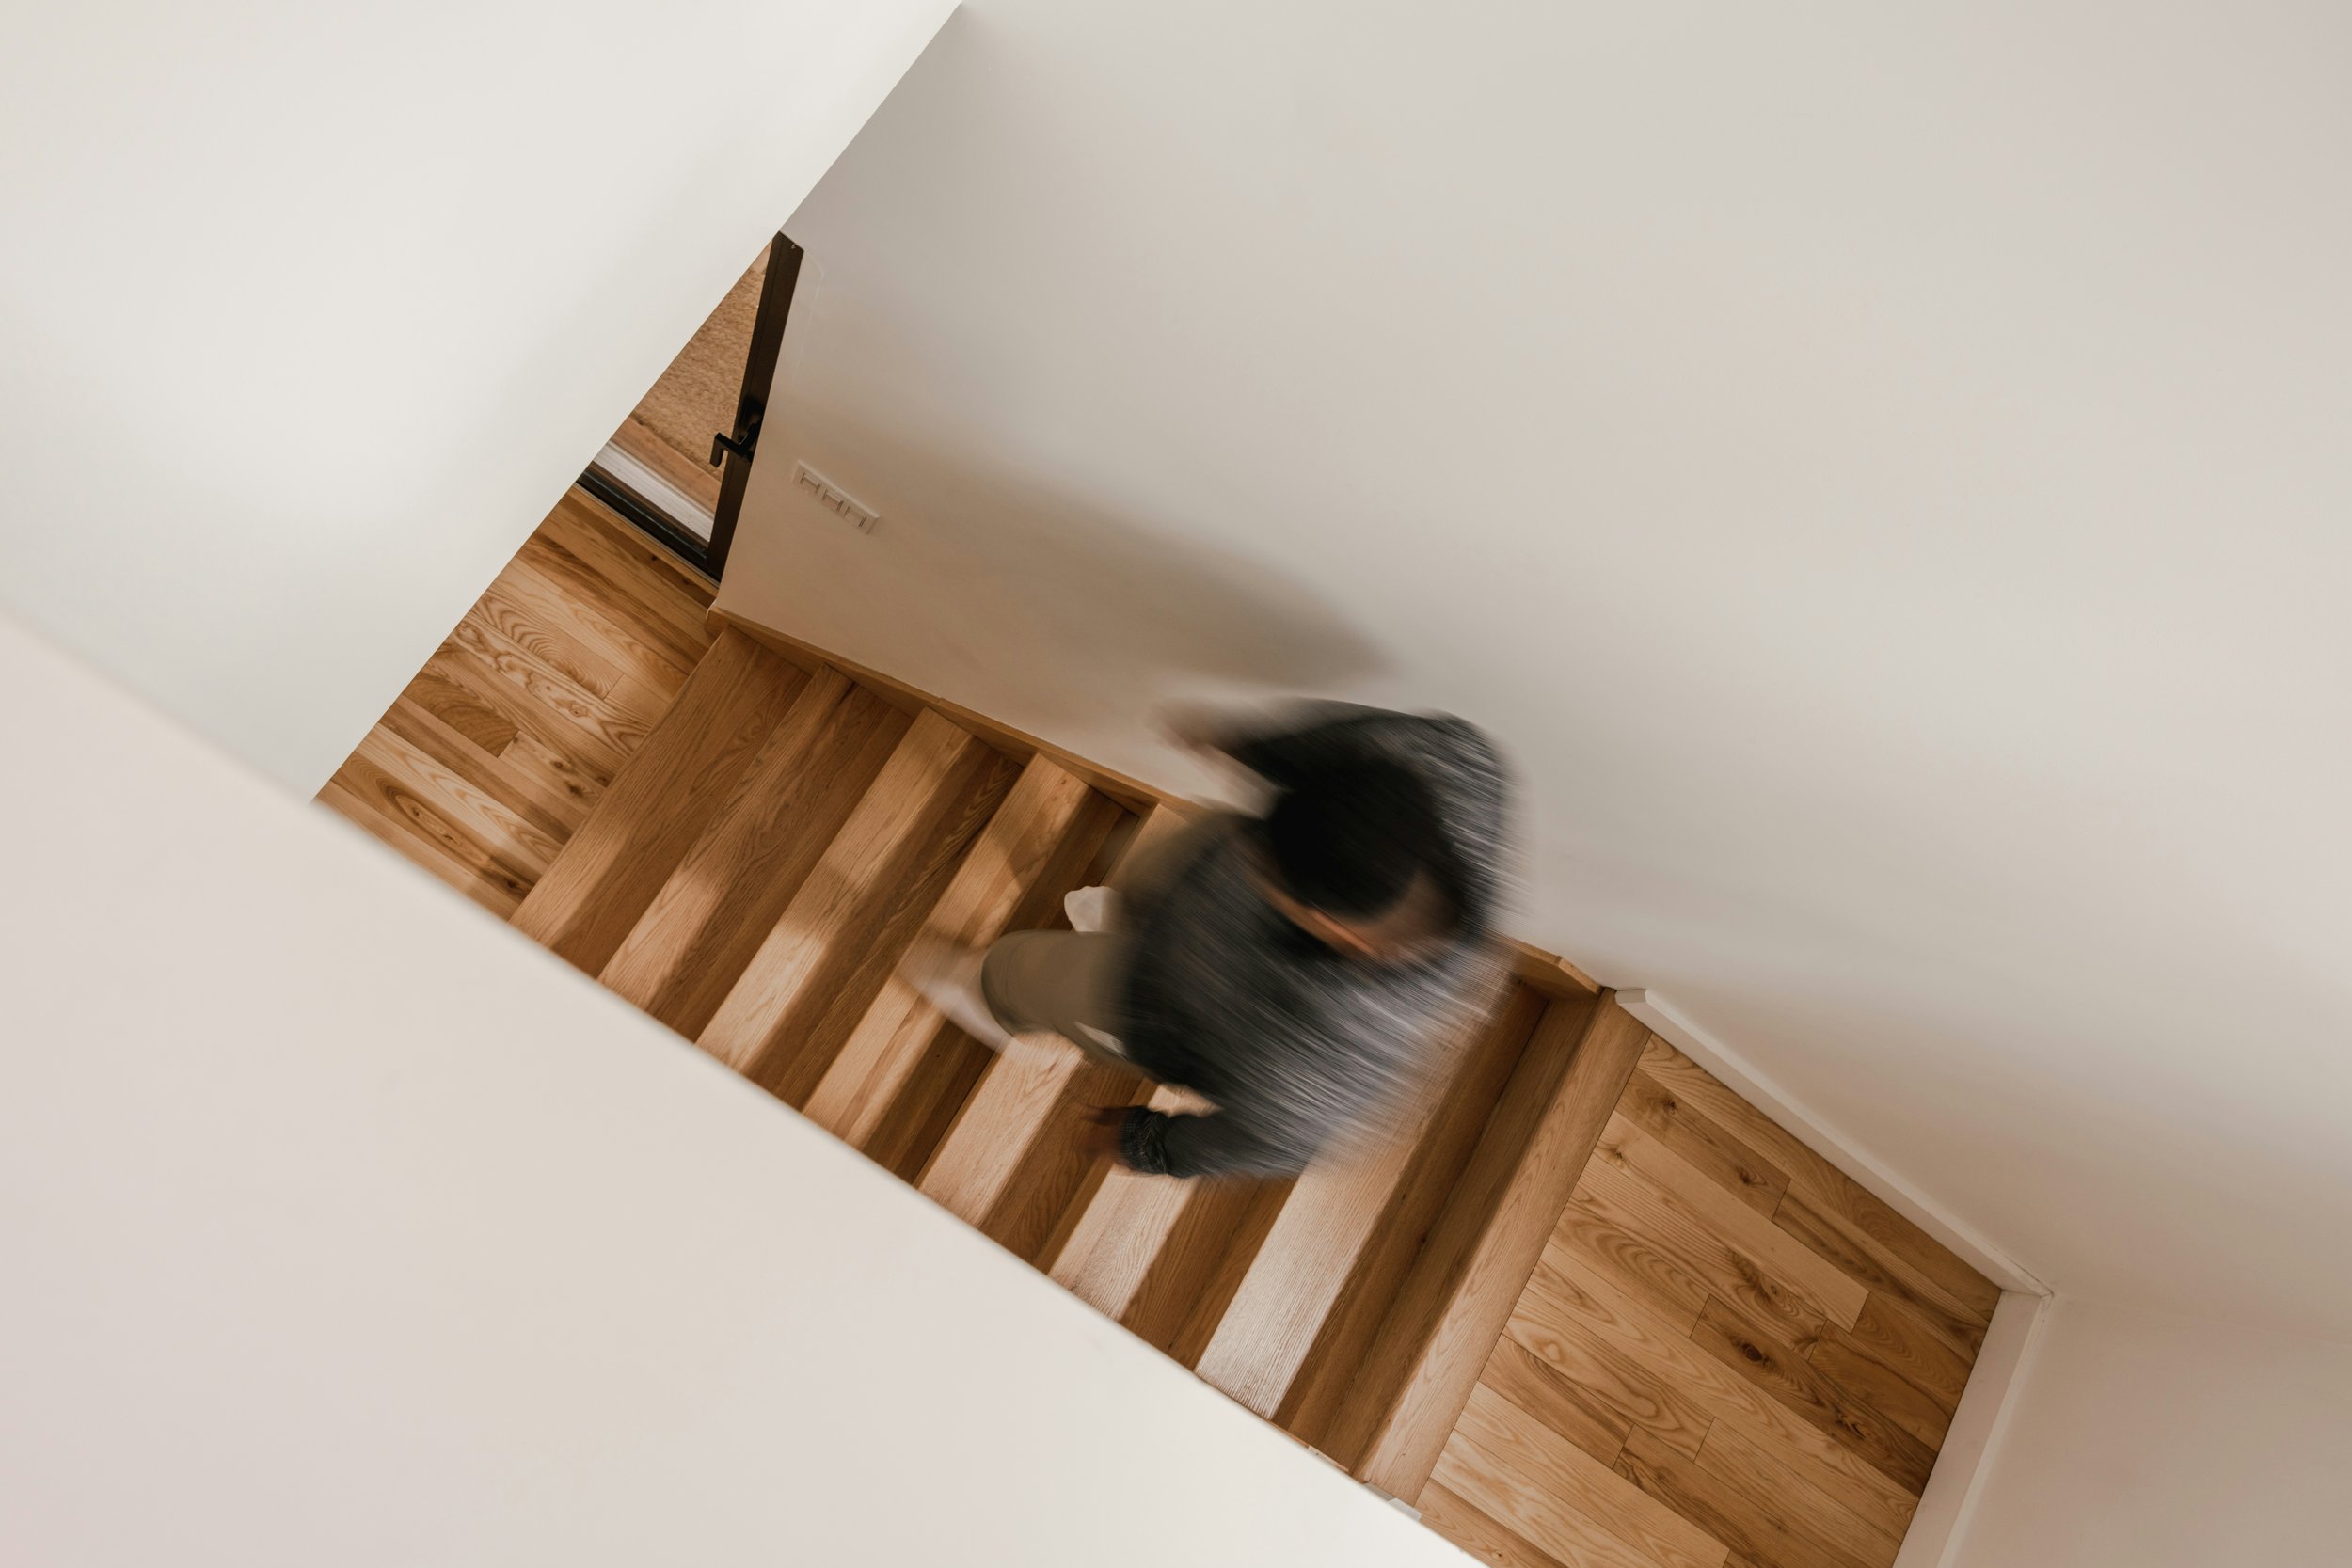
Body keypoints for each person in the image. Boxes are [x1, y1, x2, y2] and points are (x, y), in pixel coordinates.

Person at [908, 700, 1510, 1180]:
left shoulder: (1314, 1067)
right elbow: (1354, 743)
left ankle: (986, 996)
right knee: (1143, 876)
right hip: (1189, 919)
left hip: (1150, 1003)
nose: (1250, 848)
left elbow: (1274, 1144)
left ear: (1334, 928)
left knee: (1024, 970)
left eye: (1265, 870)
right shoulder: (1459, 766)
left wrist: (1146, 1143)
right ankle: (1124, 922)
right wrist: (1246, 746)